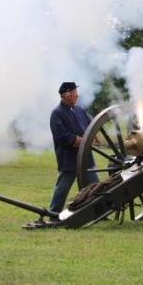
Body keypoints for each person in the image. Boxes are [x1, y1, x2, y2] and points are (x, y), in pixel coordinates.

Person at [48, 81, 97, 213]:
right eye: (75, 93)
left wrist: (95, 136)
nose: (77, 96)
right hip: (69, 157)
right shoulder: (57, 113)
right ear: (67, 95)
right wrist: (81, 141)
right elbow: (61, 136)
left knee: (95, 187)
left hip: (86, 157)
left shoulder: (79, 109)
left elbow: (91, 124)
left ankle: (100, 211)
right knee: (63, 187)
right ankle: (54, 212)